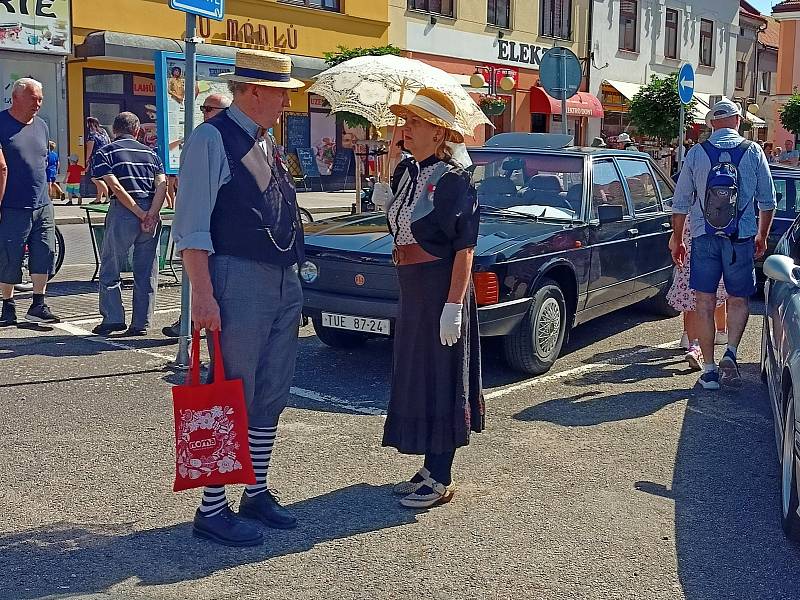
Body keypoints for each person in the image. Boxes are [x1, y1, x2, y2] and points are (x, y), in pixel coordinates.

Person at [173, 49, 305, 547]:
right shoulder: (212, 138)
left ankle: (256, 489)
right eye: (280, 94)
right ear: (252, 91)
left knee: (271, 389)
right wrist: (203, 295)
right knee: (230, 391)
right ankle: (211, 508)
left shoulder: (263, 140)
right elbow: (192, 228)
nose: (286, 103)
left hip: (278, 276)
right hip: (238, 276)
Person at [383, 88, 485, 509]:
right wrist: (392, 167)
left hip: (441, 285)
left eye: (416, 123)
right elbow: (396, 219)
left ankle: (441, 475)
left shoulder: (453, 180)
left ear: (439, 133)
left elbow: (465, 248)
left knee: (442, 376)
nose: (407, 128)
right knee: (419, 374)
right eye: (408, 121)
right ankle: (429, 465)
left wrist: (453, 306)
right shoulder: (409, 172)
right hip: (414, 288)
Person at [671, 98, 776, 390]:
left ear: (711, 124)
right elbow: (768, 202)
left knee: (703, 302)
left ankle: (708, 369)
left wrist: (677, 238)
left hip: (704, 238)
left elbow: (680, 203)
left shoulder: (696, 153)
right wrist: (762, 236)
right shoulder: (753, 151)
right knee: (738, 299)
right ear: (738, 121)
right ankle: (730, 351)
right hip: (740, 238)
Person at [90, 112, 167, 337]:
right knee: (147, 271)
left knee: (110, 267)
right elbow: (161, 185)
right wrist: (151, 214)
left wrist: (138, 212)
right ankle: (141, 323)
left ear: (114, 130)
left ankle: (113, 319)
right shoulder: (152, 154)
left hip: (124, 211)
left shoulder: (106, 152)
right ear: (136, 131)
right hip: (150, 211)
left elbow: (115, 186)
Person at [162, 91, 232, 339]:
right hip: (202, 239)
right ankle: (188, 319)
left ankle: (189, 318)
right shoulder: (204, 137)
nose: (205, 114)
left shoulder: (226, 139)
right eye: (203, 108)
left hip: (219, 244)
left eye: (210, 109)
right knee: (199, 282)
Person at [0, 78, 61, 326]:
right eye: (33, 98)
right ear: (16, 97)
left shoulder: (43, 126)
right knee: (9, 255)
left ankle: (38, 303)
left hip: (42, 203)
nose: (38, 103)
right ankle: (8, 305)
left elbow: (43, 162)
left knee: (45, 251)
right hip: (12, 204)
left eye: (41, 98)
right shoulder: (1, 123)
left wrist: (48, 191)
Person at [667, 212, 729, 369]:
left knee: (691, 306)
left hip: (688, 269)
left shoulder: (686, 218)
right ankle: (719, 333)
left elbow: (671, 243)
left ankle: (690, 339)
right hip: (711, 267)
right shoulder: (718, 217)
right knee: (714, 302)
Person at [85, 116, 111, 204]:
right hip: (105, 157)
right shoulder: (103, 131)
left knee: (95, 178)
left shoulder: (92, 134)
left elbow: (90, 148)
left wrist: (87, 159)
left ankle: (107, 196)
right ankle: (98, 198)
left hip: (96, 158)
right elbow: (109, 143)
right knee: (101, 177)